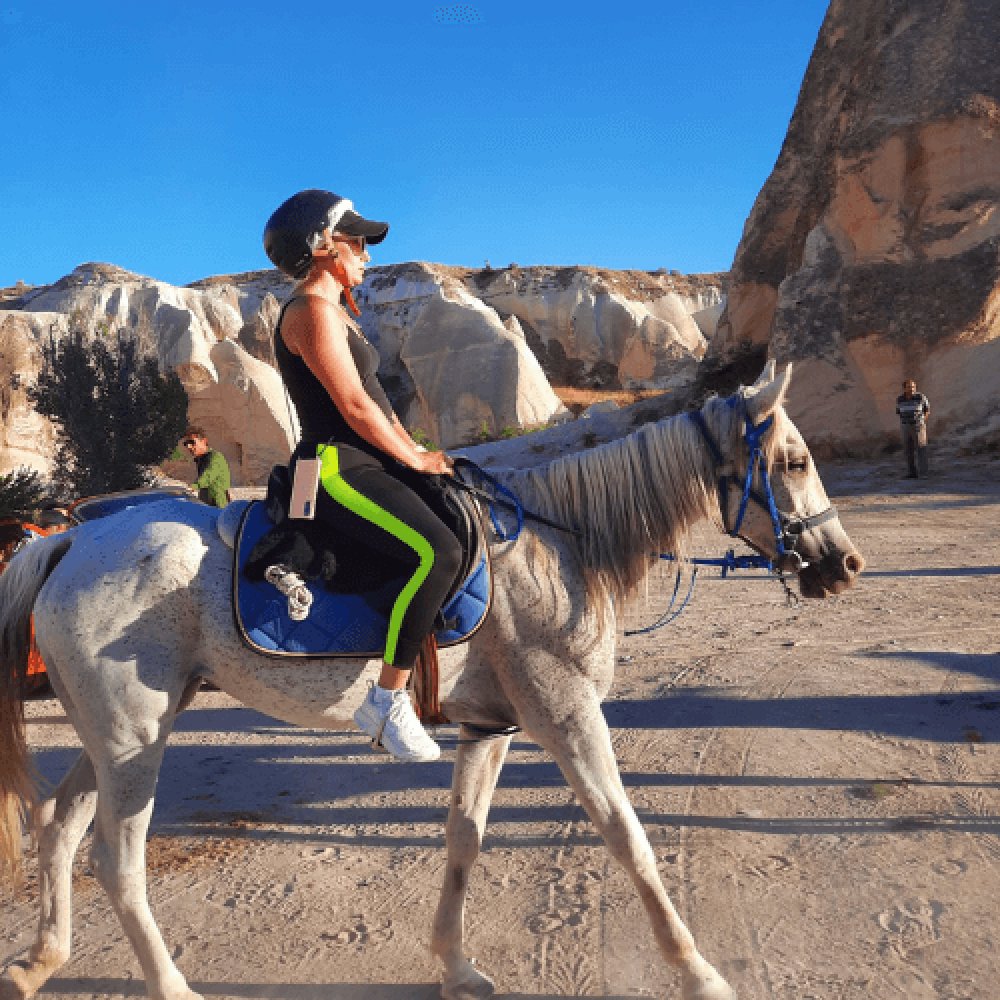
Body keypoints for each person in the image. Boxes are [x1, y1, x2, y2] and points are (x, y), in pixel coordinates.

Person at [262, 188, 461, 763]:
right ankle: (386, 700)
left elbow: (380, 404)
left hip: (365, 458)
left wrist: (416, 450)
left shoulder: (337, 314)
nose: (366, 254)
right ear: (322, 245)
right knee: (437, 553)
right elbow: (352, 406)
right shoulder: (310, 312)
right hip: (336, 466)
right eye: (357, 241)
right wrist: (413, 459)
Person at [181, 427, 232, 507]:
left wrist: (194, 486)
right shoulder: (201, 459)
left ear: (204, 441)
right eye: (186, 444)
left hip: (218, 505)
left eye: (192, 442)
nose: (189, 446)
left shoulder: (216, 457)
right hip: (207, 505)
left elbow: (208, 475)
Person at [895, 379, 930, 478]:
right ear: (904, 388)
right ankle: (911, 473)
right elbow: (898, 411)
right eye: (909, 387)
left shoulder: (920, 397)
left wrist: (922, 422)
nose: (911, 389)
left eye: (913, 387)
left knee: (921, 449)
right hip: (905, 426)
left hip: (918, 426)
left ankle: (923, 473)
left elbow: (927, 410)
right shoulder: (900, 399)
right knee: (908, 450)